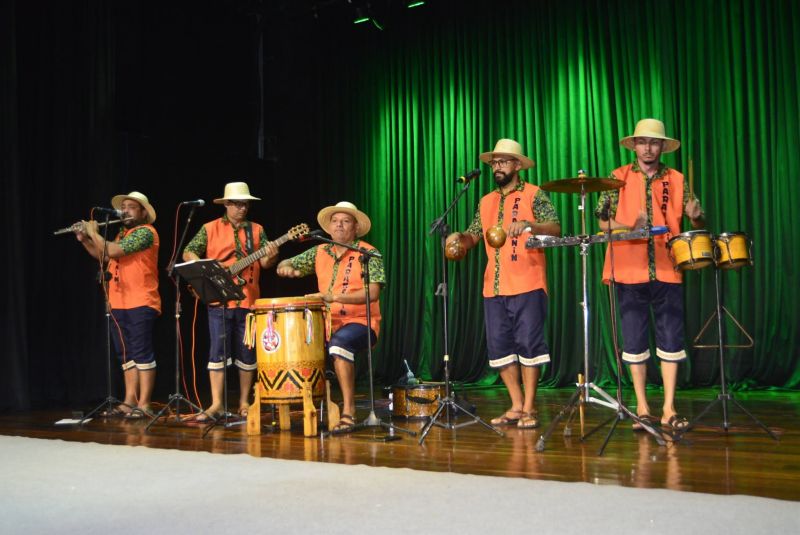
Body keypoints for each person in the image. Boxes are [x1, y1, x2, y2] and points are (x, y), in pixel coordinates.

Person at [595, 118, 705, 431]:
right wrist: (629, 226)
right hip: (628, 269)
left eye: (654, 143)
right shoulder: (617, 177)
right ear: (634, 146)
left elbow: (695, 220)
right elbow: (602, 222)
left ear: (661, 147)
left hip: (668, 267)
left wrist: (697, 217)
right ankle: (642, 407)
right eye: (642, 142)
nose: (648, 148)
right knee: (633, 339)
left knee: (671, 337)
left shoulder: (677, 178)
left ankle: (669, 408)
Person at [446, 139, 561, 429]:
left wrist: (529, 224)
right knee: (500, 347)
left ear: (517, 165)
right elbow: (474, 235)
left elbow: (556, 228)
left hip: (528, 282)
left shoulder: (534, 194)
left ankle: (530, 407)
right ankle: (516, 405)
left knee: (529, 345)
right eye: (494, 162)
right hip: (494, 286)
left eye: (503, 162)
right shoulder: (486, 201)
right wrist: (459, 238)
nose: (497, 167)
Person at [276, 201, 384, 433]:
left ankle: (349, 410)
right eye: (335, 221)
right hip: (325, 323)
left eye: (345, 221)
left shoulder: (368, 253)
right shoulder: (320, 251)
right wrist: (286, 267)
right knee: (297, 342)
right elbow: (287, 263)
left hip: (361, 323)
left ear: (356, 227)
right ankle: (303, 405)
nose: (339, 225)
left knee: (339, 343)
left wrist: (332, 297)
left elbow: (372, 293)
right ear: (328, 227)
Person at [183, 182, 278, 421]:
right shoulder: (209, 228)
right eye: (237, 204)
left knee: (247, 352)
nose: (242, 208)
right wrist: (208, 269)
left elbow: (265, 263)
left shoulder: (257, 230)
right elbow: (188, 251)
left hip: (249, 300)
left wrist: (271, 256)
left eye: (245, 204)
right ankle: (216, 403)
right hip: (219, 299)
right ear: (226, 204)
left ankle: (244, 401)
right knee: (217, 351)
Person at [74, 191, 160, 419]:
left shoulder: (146, 232)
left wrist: (93, 232)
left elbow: (112, 250)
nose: (125, 211)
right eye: (124, 207)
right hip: (118, 301)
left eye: (131, 207)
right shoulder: (122, 234)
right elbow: (104, 256)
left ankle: (144, 404)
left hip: (140, 300)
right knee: (125, 354)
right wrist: (85, 239)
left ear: (143, 212)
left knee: (141, 352)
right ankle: (129, 401)